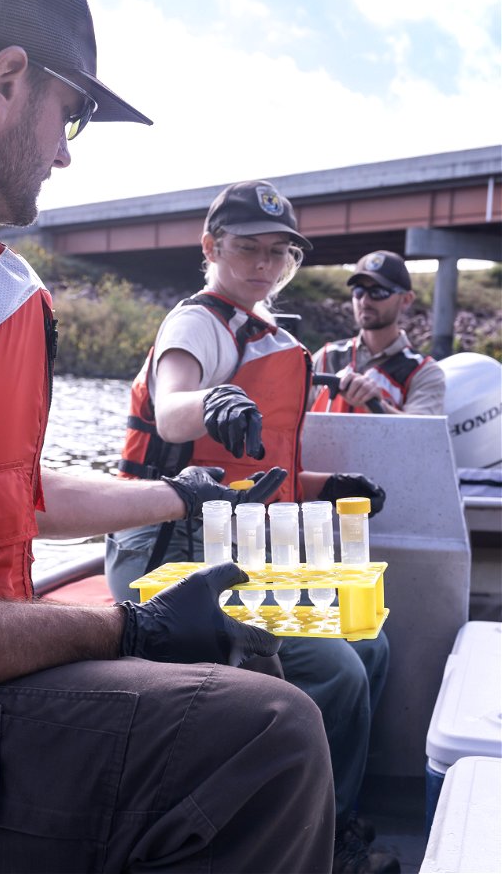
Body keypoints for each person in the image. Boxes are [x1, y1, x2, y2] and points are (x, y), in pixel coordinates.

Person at [0, 0, 336, 874]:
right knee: (267, 738)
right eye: (69, 114)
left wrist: (182, 498)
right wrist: (128, 626)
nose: (65, 156)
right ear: (5, 81)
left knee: (245, 668)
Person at [106, 180, 400, 874]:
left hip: (233, 543)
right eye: (248, 250)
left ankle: (337, 816)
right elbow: (176, 405)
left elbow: (258, 473)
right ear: (211, 248)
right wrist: (213, 403)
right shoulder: (197, 324)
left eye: (282, 254)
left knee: (372, 641)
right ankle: (314, 844)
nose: (265, 266)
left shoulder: (264, 329)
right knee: (336, 672)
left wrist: (331, 488)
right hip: (166, 548)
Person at [310, 250, 446, 414]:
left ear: (406, 300)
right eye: (358, 291)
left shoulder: (424, 372)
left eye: (378, 292)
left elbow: (420, 434)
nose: (365, 301)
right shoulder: (326, 357)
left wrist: (378, 405)